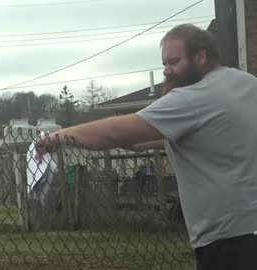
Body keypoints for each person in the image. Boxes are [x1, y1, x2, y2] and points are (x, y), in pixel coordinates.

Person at [35, 24, 257, 270]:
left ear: (201, 56)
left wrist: (59, 137)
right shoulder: (247, 84)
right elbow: (140, 141)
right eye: (164, 63)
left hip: (232, 241)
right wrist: (116, 139)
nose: (166, 71)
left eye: (173, 62)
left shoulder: (194, 97)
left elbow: (115, 132)